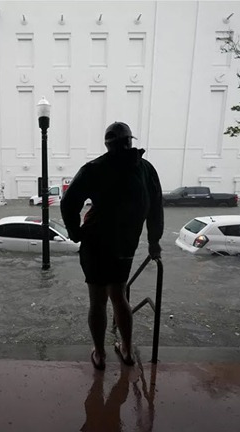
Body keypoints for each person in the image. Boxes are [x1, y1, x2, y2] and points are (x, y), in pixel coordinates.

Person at [61, 121, 163, 370]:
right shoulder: (146, 169)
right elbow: (155, 208)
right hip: (125, 246)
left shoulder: (94, 168)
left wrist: (75, 232)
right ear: (131, 141)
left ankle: (100, 354)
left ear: (107, 144)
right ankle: (127, 350)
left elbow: (68, 203)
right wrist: (153, 241)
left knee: (97, 300)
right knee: (119, 296)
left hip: (95, 243)